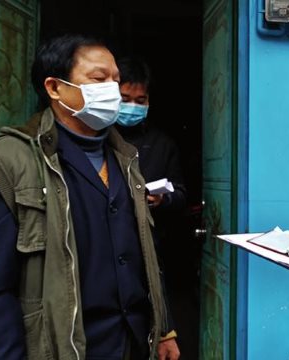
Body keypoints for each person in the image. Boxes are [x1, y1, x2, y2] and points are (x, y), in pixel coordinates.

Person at [0, 34, 178, 359]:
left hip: (129, 346)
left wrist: (162, 329)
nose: (112, 91)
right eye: (99, 79)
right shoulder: (4, 163)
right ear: (54, 87)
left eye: (115, 80)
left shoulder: (126, 160)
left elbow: (142, 256)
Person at [114, 57, 189, 358]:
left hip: (150, 245)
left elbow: (182, 193)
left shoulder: (161, 144)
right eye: (124, 99)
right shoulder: (94, 141)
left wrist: (164, 199)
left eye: (139, 100)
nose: (132, 106)